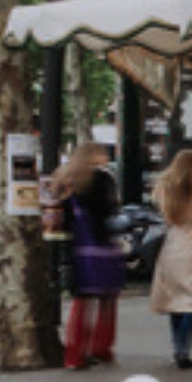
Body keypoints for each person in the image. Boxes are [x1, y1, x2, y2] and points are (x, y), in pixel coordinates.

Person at [146, 149, 192, 371]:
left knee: (175, 299)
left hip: (173, 244)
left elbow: (162, 215)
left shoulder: (164, 189)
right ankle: (184, 349)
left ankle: (176, 347)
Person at [50, 144, 122, 370]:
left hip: (79, 247)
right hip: (102, 245)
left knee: (81, 302)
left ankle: (75, 352)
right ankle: (101, 346)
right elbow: (109, 210)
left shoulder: (64, 179)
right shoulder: (102, 180)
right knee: (107, 301)